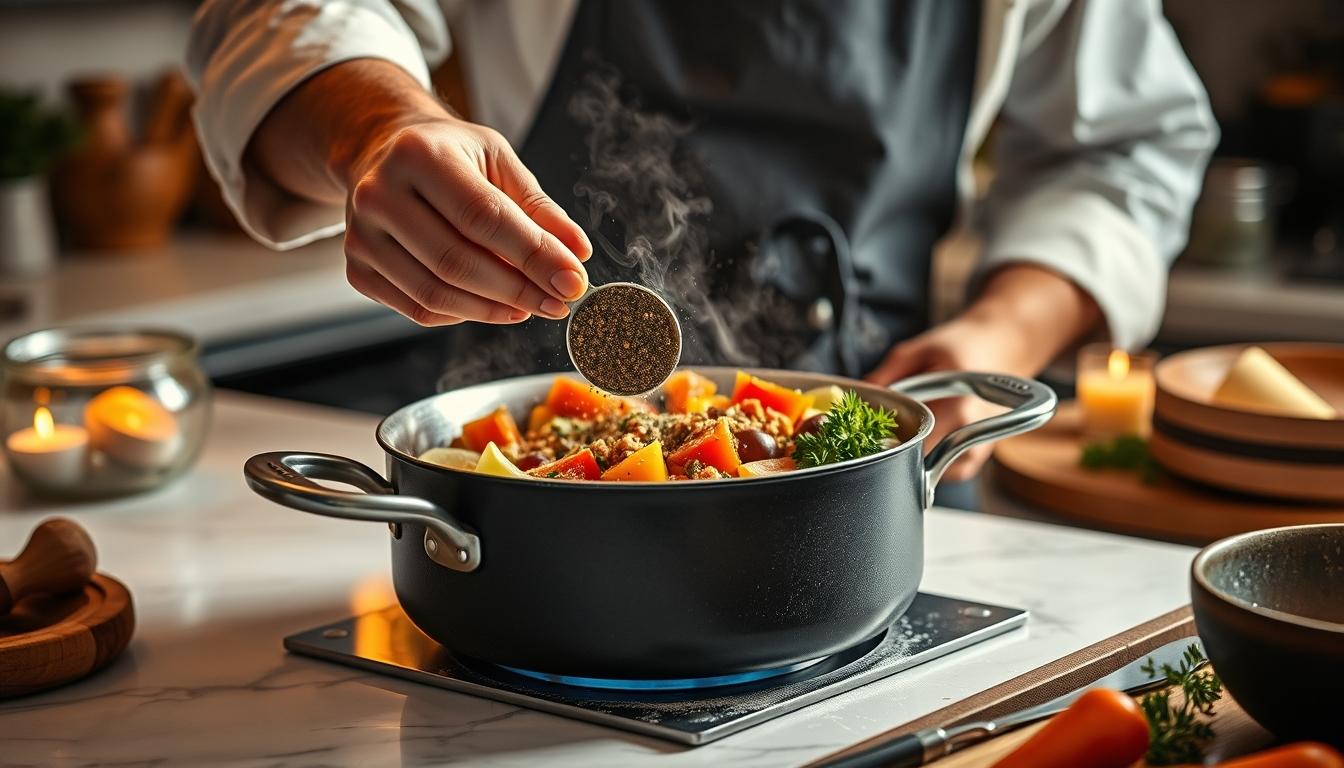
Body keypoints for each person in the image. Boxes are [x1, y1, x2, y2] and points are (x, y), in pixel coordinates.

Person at [187, 0, 1216, 489]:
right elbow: (275, 16)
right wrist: (377, 127)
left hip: (888, 474)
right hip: (533, 476)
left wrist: (998, 336)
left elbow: (1127, 145)